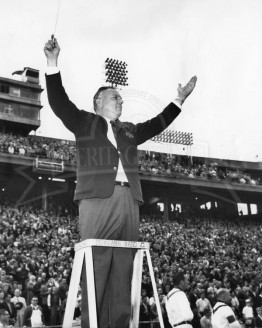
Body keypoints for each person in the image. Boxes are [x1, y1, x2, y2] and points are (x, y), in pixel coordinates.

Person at [44, 37, 197, 328]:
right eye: (116, 98)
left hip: (130, 200)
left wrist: (179, 100)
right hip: (98, 200)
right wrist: (52, 64)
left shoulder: (128, 130)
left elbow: (157, 123)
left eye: (122, 100)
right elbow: (59, 102)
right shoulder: (84, 122)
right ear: (99, 101)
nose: (121, 102)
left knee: (124, 269)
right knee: (97, 264)